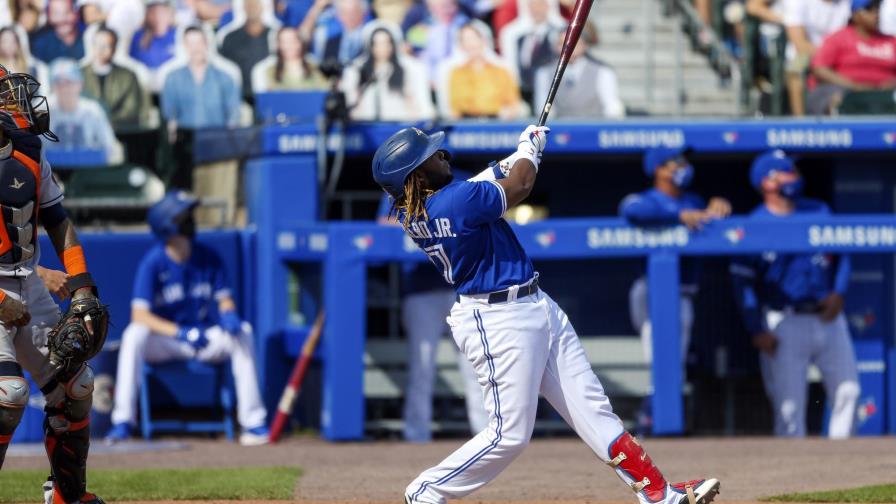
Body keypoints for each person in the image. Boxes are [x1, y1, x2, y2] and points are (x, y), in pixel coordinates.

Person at [372, 126, 721, 504]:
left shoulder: (421, 207)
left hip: (533, 304)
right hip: (498, 319)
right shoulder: (456, 201)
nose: (444, 156)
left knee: (593, 409)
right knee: (509, 434)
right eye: (432, 156)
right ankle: (425, 492)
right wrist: (529, 150)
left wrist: (521, 151)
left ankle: (657, 494)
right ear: (417, 176)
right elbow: (521, 184)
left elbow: (483, 180)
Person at [0, 63, 107, 504]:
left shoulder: (28, 148)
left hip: (26, 280)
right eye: (7, 95)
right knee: (8, 395)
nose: (19, 102)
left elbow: (57, 220)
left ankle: (67, 496)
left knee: (76, 388)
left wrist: (82, 288)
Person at [106, 191, 270, 446]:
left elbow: (225, 299)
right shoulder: (153, 263)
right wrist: (180, 332)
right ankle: (123, 421)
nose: (191, 222)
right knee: (133, 334)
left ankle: (253, 422)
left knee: (244, 331)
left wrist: (229, 314)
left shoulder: (209, 257)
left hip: (203, 338)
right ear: (167, 226)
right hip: (168, 341)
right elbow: (140, 315)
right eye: (183, 217)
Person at [730, 150, 860, 438]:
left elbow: (843, 255)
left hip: (827, 317)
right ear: (767, 182)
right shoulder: (754, 224)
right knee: (789, 408)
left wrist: (839, 292)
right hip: (784, 319)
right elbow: (742, 283)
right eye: (787, 171)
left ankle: (843, 458)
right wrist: (756, 328)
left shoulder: (819, 210)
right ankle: (794, 465)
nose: (795, 176)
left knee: (848, 390)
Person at [618, 146, 731, 435]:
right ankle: (650, 423)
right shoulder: (648, 199)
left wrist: (717, 205)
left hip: (682, 293)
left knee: (670, 364)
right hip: (651, 290)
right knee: (661, 362)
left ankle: (647, 423)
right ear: (658, 169)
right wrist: (678, 215)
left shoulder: (694, 200)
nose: (682, 167)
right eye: (674, 162)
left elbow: (712, 218)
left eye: (683, 161)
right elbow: (630, 210)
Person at [376, 171, 487, 442]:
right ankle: (417, 434)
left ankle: (487, 433)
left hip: (461, 290)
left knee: (475, 365)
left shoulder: (459, 181)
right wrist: (428, 225)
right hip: (419, 290)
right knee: (422, 366)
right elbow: (382, 225)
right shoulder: (399, 185)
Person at [160, 25, 241, 188]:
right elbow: (169, 115)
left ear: (206, 44)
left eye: (198, 42)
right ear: (184, 46)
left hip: (216, 138)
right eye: (190, 43)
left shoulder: (225, 78)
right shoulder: (173, 78)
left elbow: (233, 115)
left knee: (216, 187)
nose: (195, 48)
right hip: (185, 142)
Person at [808, 0, 896, 114]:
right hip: (845, 90)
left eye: (877, 9)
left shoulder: (891, 41)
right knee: (837, 98)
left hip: (886, 93)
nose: (875, 14)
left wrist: (891, 83)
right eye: (868, 9)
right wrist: (854, 86)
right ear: (855, 14)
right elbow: (819, 69)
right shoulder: (838, 38)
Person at [340, 22, 435, 121]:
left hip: (399, 124)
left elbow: (422, 105)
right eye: (377, 44)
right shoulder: (356, 69)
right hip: (364, 125)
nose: (382, 48)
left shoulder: (411, 68)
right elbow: (350, 103)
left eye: (387, 43)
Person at [532, 19, 624, 119]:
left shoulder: (603, 72)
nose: (568, 48)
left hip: (593, 125)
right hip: (559, 127)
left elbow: (612, 107)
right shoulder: (545, 72)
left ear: (585, 45)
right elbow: (543, 109)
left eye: (574, 43)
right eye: (562, 43)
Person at [45, 58, 122, 163]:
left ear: (80, 84)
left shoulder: (93, 111)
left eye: (69, 83)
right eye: (58, 83)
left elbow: (110, 147)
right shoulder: (41, 111)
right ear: (52, 86)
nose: (64, 88)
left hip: (88, 169)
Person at [441, 20, 523, 119]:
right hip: (466, 122)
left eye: (473, 38)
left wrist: (507, 112)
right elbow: (454, 107)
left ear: (483, 40)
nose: (470, 44)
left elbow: (514, 103)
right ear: (461, 46)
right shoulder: (456, 73)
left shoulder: (502, 71)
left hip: (496, 121)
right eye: (465, 40)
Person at [783, 0, 851, 115]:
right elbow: (800, 43)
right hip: (807, 54)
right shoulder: (797, 2)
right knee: (795, 71)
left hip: (839, 54)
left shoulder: (847, 3)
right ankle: (800, 121)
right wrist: (827, 58)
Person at [80, 25, 149, 129]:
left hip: (120, 130)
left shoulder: (128, 76)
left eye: (106, 45)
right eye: (97, 44)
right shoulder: (79, 74)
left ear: (114, 48)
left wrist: (108, 123)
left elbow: (131, 109)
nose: (101, 50)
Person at [499, 0, 565, 99]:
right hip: (524, 92)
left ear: (549, 6)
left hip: (553, 92)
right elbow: (511, 65)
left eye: (541, 4)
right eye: (532, 5)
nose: (536, 9)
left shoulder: (560, 32)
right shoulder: (515, 35)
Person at [403, 0, 469, 86]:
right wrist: (430, 78)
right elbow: (421, 55)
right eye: (438, 7)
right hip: (435, 80)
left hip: (462, 76)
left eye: (449, 5)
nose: (446, 10)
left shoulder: (465, 25)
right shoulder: (424, 28)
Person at [219, 0, 273, 98]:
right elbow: (224, 69)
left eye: (255, 5)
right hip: (240, 96)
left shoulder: (275, 34)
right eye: (249, 5)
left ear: (263, 7)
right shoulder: (230, 38)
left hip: (270, 95)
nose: (252, 8)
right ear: (243, 7)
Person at [251, 26, 328, 92]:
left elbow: (324, 91)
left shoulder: (315, 67)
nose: (288, 46)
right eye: (283, 42)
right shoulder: (269, 71)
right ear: (278, 45)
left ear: (300, 43)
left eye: (292, 41)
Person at [300, 0, 372, 66]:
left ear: (364, 13)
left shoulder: (369, 34)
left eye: (354, 12)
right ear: (338, 15)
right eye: (344, 13)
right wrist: (318, 7)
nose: (349, 17)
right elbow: (302, 37)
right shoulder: (326, 34)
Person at [129, 0, 178, 73]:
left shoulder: (178, 34)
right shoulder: (138, 36)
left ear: (170, 13)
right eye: (153, 12)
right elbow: (132, 62)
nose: (158, 17)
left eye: (162, 13)